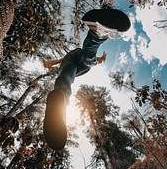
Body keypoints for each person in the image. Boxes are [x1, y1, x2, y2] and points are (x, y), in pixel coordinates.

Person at [43, 8, 131, 150]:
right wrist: (50, 63)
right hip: (73, 63)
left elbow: (81, 58)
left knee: (78, 66)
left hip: (76, 60)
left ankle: (98, 32)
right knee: (68, 74)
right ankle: (60, 102)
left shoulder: (72, 55)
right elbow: (58, 61)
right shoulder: (67, 57)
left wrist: (100, 59)